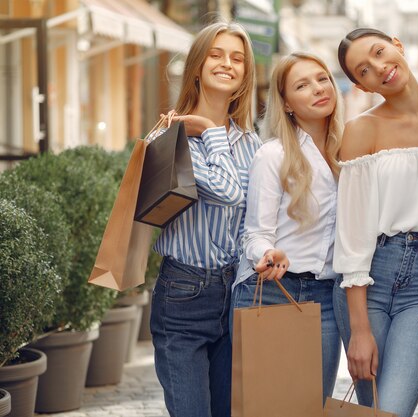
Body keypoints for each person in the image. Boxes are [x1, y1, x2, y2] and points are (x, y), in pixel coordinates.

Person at [332, 28, 418, 417]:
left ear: (398, 46)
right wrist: (359, 329)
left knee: (394, 408)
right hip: (370, 277)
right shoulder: (361, 130)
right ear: (360, 85)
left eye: (381, 52)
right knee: (377, 410)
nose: (380, 67)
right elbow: (351, 233)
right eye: (364, 70)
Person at [150, 20, 261, 417]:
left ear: (246, 73)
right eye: (215, 55)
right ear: (197, 65)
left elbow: (256, 216)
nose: (226, 64)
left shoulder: (253, 143)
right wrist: (211, 131)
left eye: (237, 58)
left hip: (238, 294)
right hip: (183, 295)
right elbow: (228, 193)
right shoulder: (168, 136)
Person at [231, 52, 343, 401]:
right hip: (274, 291)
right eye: (302, 85)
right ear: (287, 104)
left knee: (311, 406)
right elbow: (255, 232)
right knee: (270, 407)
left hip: (327, 296)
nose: (317, 88)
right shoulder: (273, 155)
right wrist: (268, 254)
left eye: (322, 78)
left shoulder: (351, 150)